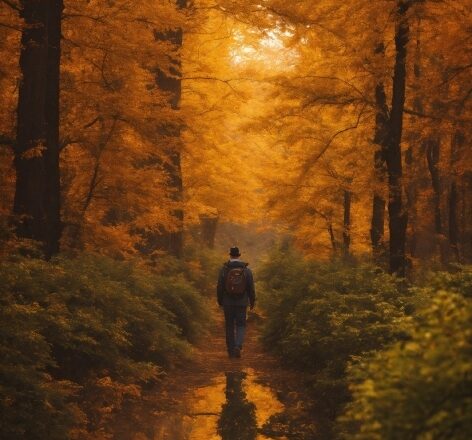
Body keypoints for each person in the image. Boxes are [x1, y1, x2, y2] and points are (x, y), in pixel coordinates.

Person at [217, 246, 256, 358]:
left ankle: (230, 350)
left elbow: (219, 287)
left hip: (227, 302)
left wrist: (220, 301)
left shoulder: (224, 270)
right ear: (239, 256)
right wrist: (252, 301)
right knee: (241, 325)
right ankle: (238, 346)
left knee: (229, 325)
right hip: (242, 302)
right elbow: (251, 287)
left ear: (230, 255)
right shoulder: (246, 270)